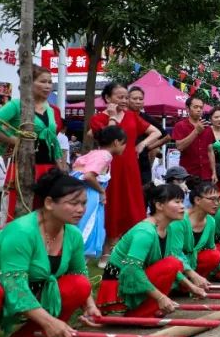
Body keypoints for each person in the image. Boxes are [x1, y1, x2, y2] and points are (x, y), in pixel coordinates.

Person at [0, 170, 97, 337]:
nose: (81, 210)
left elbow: (80, 273)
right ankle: (46, 328)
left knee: (79, 285)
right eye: (73, 203)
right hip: (6, 286)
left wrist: (90, 306)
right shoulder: (21, 232)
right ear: (49, 203)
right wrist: (49, 321)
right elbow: (14, 286)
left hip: (30, 289)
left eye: (83, 203)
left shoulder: (73, 234)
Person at [88, 82, 163, 263]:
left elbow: (156, 132)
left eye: (125, 97)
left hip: (129, 166)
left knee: (132, 205)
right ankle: (107, 250)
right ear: (108, 98)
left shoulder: (131, 116)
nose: (124, 101)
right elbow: (109, 137)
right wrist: (112, 116)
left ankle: (130, 248)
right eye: (119, 97)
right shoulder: (98, 119)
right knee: (111, 206)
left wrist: (141, 144)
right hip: (109, 167)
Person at [95, 184, 193, 317]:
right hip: (118, 290)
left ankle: (146, 311)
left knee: (173, 263)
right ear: (159, 205)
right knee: (172, 263)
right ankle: (141, 313)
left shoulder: (167, 229)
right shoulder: (145, 232)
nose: (183, 206)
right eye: (177, 202)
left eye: (182, 201)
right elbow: (132, 270)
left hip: (131, 281)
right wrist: (160, 297)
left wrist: (191, 286)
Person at [0, 65, 68, 220]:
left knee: (47, 215)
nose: (48, 86)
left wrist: (60, 166)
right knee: (22, 212)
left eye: (50, 82)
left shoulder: (50, 108)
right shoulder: (17, 104)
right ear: (29, 83)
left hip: (48, 168)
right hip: (24, 166)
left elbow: (53, 141)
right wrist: (14, 140)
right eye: (43, 81)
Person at [71, 125, 127, 259]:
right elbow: (89, 176)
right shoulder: (105, 156)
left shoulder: (93, 153)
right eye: (124, 143)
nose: (124, 147)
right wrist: (102, 191)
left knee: (81, 229)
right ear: (116, 142)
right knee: (87, 231)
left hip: (79, 194)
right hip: (90, 197)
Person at [167, 178, 220, 285]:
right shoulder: (179, 220)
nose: (216, 203)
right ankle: (183, 284)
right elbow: (175, 254)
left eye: (218, 199)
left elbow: (211, 247)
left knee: (214, 255)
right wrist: (193, 275)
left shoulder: (210, 221)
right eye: (212, 199)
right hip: (174, 265)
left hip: (191, 263)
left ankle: (196, 281)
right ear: (197, 200)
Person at [126, 86, 168, 187]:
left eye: (141, 99)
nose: (138, 101)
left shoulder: (147, 118)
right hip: (124, 160)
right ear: (127, 100)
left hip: (142, 162)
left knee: (143, 193)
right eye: (134, 98)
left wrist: (148, 147)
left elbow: (166, 136)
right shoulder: (121, 115)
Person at [171, 96, 217, 182]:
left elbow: (210, 151)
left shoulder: (208, 128)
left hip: (206, 174)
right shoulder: (180, 125)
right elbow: (180, 147)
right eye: (195, 107)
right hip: (188, 174)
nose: (199, 110)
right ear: (187, 109)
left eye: (201, 107)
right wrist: (196, 131)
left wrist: (214, 172)